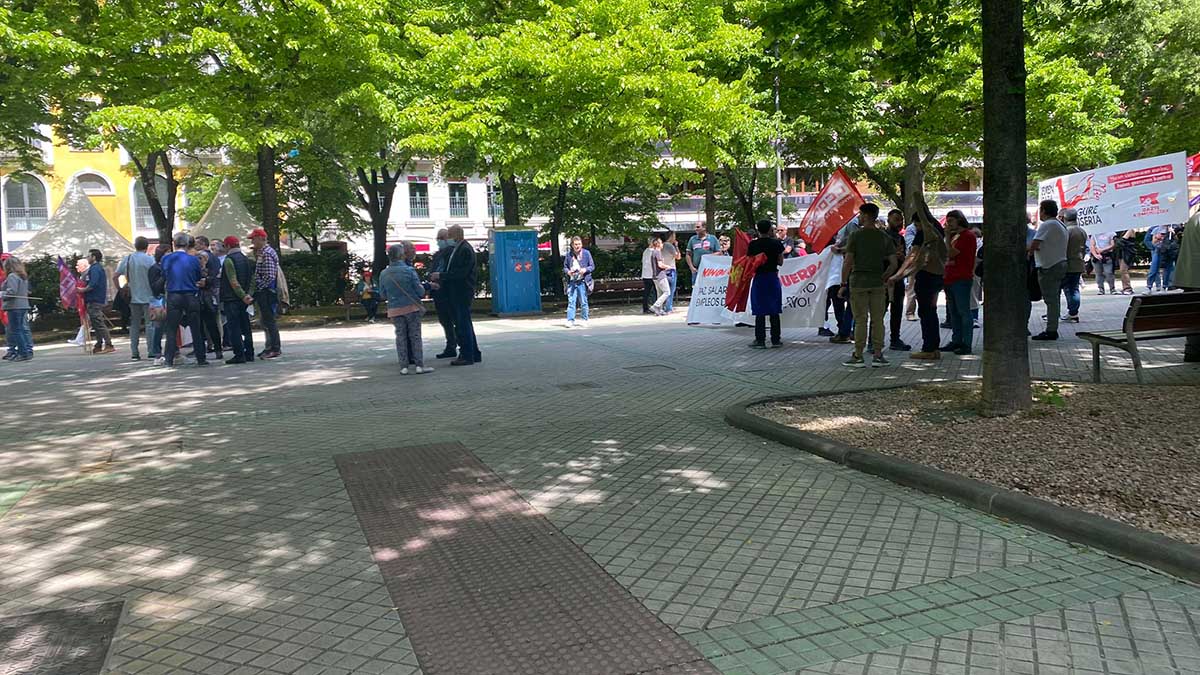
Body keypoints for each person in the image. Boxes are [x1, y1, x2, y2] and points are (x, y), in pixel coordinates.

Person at [841, 204, 898, 367]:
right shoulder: (884, 237)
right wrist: (885, 275)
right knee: (878, 320)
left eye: (860, 214)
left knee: (860, 320)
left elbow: (848, 262)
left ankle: (858, 355)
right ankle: (878, 354)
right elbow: (893, 263)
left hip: (858, 282)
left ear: (865, 215)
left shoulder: (855, 236)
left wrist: (843, 283)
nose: (858, 217)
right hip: (878, 283)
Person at [890, 208, 946, 360]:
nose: (916, 228)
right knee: (931, 312)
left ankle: (928, 348)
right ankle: (933, 347)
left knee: (926, 312)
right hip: (937, 277)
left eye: (916, 224)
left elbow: (913, 257)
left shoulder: (924, 234)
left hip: (926, 277)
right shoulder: (938, 231)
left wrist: (898, 275)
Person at [379, 243, 431, 375]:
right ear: (401, 256)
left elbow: (382, 294)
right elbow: (420, 291)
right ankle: (419, 365)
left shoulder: (384, 274)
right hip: (412, 308)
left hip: (395, 310)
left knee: (400, 337)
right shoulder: (409, 271)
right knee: (415, 336)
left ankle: (404, 366)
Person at [436, 224, 481, 366]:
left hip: (462, 292)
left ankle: (467, 355)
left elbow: (461, 273)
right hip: (459, 291)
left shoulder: (464, 249)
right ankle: (473, 353)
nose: (448, 239)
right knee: (464, 322)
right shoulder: (460, 248)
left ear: (456, 235)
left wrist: (441, 275)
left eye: (449, 236)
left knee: (462, 324)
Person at [161, 232, 207, 367]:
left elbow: (164, 274)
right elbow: (198, 276)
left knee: (171, 329)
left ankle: (169, 359)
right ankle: (201, 357)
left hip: (173, 295)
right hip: (190, 295)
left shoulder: (166, 259)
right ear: (187, 244)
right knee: (196, 328)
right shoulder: (193, 259)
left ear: (174, 244)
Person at [1029, 200, 1069, 341]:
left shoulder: (1048, 224)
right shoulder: (1060, 224)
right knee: (1054, 299)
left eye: (1040, 210)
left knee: (1051, 300)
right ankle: (1052, 328)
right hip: (1059, 263)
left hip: (1049, 266)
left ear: (1044, 211)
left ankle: (1051, 330)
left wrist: (1028, 251)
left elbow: (1035, 243)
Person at [940, 210, 977, 355]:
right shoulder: (957, 236)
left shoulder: (967, 236)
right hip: (949, 277)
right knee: (953, 312)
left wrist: (947, 237)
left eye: (951, 221)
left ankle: (966, 343)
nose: (948, 224)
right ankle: (956, 340)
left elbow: (951, 253)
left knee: (963, 311)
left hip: (961, 277)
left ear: (959, 220)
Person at [115, 237, 155, 361]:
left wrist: (121, 290)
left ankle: (134, 352)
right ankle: (151, 350)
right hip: (149, 296)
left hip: (132, 296)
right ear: (146, 246)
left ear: (135, 246)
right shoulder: (150, 259)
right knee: (150, 324)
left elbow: (115, 276)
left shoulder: (127, 259)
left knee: (134, 325)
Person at [747, 219, 785, 349]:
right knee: (774, 309)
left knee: (759, 310)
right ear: (770, 229)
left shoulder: (753, 245)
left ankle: (760, 340)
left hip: (759, 279)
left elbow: (749, 263)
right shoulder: (777, 243)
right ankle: (776, 340)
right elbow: (780, 262)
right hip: (772, 278)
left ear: (758, 230)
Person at [220, 235, 256, 364]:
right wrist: (249, 295)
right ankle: (250, 353)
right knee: (246, 326)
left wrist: (242, 295)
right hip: (245, 299)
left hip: (233, 299)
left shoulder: (229, 260)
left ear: (228, 246)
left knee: (234, 327)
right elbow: (252, 279)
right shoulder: (246, 259)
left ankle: (239, 354)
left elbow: (233, 281)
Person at [249, 228, 282, 359]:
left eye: (253, 238)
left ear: (260, 239)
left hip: (267, 292)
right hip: (266, 291)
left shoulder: (267, 253)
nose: (252, 241)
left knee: (269, 321)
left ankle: (275, 348)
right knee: (266, 320)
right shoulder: (263, 252)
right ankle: (269, 347)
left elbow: (269, 276)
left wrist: (259, 287)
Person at [77, 248, 115, 354]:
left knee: (98, 322)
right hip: (93, 299)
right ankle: (99, 344)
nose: (87, 258)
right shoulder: (95, 268)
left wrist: (82, 290)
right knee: (95, 322)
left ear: (94, 257)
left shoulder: (95, 269)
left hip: (95, 299)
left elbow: (92, 284)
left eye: (89, 256)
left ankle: (108, 344)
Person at [883, 209, 911, 351]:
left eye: (901, 220)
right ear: (888, 219)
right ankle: (872, 341)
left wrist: (901, 257)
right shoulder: (882, 236)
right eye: (896, 219)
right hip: (884, 278)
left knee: (897, 310)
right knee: (879, 311)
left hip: (898, 278)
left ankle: (895, 338)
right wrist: (892, 256)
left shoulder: (900, 238)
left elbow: (905, 257)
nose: (899, 223)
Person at [429, 228, 457, 358]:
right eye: (438, 238)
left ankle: (454, 345)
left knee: (452, 319)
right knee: (444, 320)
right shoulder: (438, 254)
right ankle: (450, 345)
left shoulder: (452, 253)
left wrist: (439, 276)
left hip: (448, 292)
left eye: (442, 238)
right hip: (438, 292)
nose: (439, 240)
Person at [194, 240, 224, 361]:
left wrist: (206, 281)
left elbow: (215, 279)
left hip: (208, 298)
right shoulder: (196, 269)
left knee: (212, 324)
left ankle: (217, 348)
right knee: (199, 326)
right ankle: (202, 351)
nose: (200, 261)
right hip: (199, 298)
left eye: (201, 258)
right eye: (198, 259)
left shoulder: (210, 267)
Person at [1, 256, 34, 362]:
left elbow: (12, 292)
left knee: (16, 330)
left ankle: (23, 352)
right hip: (22, 305)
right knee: (20, 330)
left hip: (14, 306)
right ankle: (26, 352)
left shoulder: (12, 276)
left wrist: (1, 294)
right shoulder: (23, 276)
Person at [1059, 208, 1087, 323]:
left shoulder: (1066, 231)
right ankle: (1074, 312)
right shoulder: (1081, 231)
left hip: (1068, 264)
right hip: (1078, 263)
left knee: (1069, 289)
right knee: (1074, 289)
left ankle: (1072, 313)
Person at [563, 236, 595, 327]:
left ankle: (584, 319)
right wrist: (568, 272)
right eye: (576, 244)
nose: (578, 246)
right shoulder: (569, 255)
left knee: (583, 301)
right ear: (572, 245)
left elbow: (592, 266)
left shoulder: (586, 253)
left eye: (579, 244)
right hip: (572, 281)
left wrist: (585, 270)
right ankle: (570, 320)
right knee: (571, 301)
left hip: (583, 281)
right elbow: (565, 267)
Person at [147, 247, 167, 362]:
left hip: (166, 299)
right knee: (158, 326)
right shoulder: (154, 268)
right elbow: (155, 287)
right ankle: (157, 352)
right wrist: (164, 276)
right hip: (158, 299)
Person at [648, 236, 672, 316]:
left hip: (655, 276)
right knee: (667, 292)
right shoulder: (657, 252)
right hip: (661, 276)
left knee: (660, 293)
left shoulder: (653, 252)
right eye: (661, 243)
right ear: (658, 244)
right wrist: (668, 267)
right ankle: (656, 306)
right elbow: (660, 265)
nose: (662, 245)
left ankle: (659, 310)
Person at [661, 232, 681, 312]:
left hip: (663, 270)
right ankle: (668, 308)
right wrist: (676, 246)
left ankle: (662, 306)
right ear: (672, 236)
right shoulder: (670, 245)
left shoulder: (662, 245)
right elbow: (678, 256)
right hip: (671, 269)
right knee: (670, 290)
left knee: (665, 290)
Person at [1114, 229, 1137, 294]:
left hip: (1127, 252)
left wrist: (1115, 238)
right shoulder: (1119, 231)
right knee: (1122, 271)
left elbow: (1122, 241)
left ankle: (1128, 288)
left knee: (1124, 270)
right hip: (1121, 252)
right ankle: (1125, 287)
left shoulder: (1130, 230)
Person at [640, 237, 658, 314]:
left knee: (646, 292)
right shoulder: (653, 251)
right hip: (652, 275)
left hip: (645, 275)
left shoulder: (645, 251)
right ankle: (655, 307)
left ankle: (645, 308)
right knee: (656, 291)